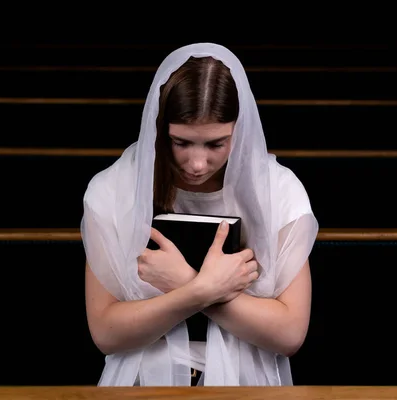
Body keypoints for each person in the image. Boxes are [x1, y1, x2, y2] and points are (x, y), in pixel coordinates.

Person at [81, 43, 319, 386]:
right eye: (181, 142)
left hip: (246, 380)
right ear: (161, 129)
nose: (196, 164)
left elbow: (289, 334)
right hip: (142, 380)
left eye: (215, 144)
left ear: (240, 128)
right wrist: (201, 290)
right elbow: (106, 332)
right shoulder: (112, 190)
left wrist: (185, 283)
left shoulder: (280, 191)